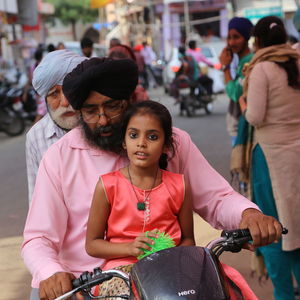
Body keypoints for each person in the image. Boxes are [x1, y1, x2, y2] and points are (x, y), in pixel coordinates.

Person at [22, 57, 282, 300]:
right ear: (80, 112)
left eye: (112, 106)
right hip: (91, 286)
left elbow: (216, 197)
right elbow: (38, 238)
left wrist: (248, 215)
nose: (102, 120)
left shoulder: (172, 142)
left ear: (130, 100)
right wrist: (50, 272)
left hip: (173, 279)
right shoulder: (60, 157)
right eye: (91, 111)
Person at [86, 100, 195, 296]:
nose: (141, 143)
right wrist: (129, 248)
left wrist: (168, 256)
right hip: (121, 271)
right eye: (134, 135)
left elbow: (188, 240)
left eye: (152, 137)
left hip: (169, 267)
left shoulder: (180, 185)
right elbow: (92, 244)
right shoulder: (107, 185)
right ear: (124, 141)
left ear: (166, 145)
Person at [240, 16, 300, 300]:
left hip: (271, 158)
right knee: (298, 227)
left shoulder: (261, 68)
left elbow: (254, 116)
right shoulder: (298, 59)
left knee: (272, 230)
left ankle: (284, 295)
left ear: (259, 41)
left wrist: (243, 103)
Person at [26, 50, 87, 204]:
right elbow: (37, 198)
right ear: (45, 99)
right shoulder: (36, 136)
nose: (65, 102)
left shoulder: (100, 124)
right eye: (54, 94)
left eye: (69, 90)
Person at [219, 17, 254, 146]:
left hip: (245, 128)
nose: (232, 42)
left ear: (246, 38)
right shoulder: (241, 62)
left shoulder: (250, 62)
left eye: (236, 37)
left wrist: (225, 67)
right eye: (229, 37)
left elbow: (235, 94)